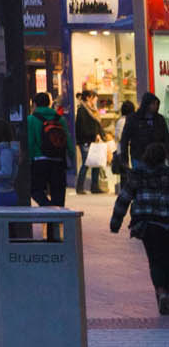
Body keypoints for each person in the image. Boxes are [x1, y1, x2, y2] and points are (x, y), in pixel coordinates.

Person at [111, 143, 169, 315]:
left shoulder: (137, 175)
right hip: (166, 222)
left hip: (146, 224)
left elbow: (124, 199)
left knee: (155, 260)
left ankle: (161, 292)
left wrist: (116, 223)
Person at [25, 92, 76, 207]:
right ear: (49, 104)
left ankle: (49, 208)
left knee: (35, 190)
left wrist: (29, 160)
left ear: (35, 104)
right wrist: (72, 157)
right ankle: (56, 218)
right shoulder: (60, 119)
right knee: (58, 193)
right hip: (58, 160)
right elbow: (67, 139)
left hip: (39, 160)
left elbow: (30, 142)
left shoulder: (31, 119)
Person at [119, 93, 169, 174]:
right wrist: (124, 159)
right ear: (147, 104)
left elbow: (166, 138)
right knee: (141, 181)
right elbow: (124, 139)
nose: (155, 106)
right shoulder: (133, 119)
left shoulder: (160, 119)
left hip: (158, 159)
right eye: (153, 104)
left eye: (156, 104)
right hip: (139, 157)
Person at [75, 90, 105, 194]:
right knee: (86, 164)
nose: (96, 100)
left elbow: (97, 125)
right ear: (88, 98)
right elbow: (82, 128)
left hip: (95, 141)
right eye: (94, 97)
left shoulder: (93, 110)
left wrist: (102, 136)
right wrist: (93, 135)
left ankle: (95, 186)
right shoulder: (82, 110)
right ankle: (80, 187)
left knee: (96, 163)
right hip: (86, 141)